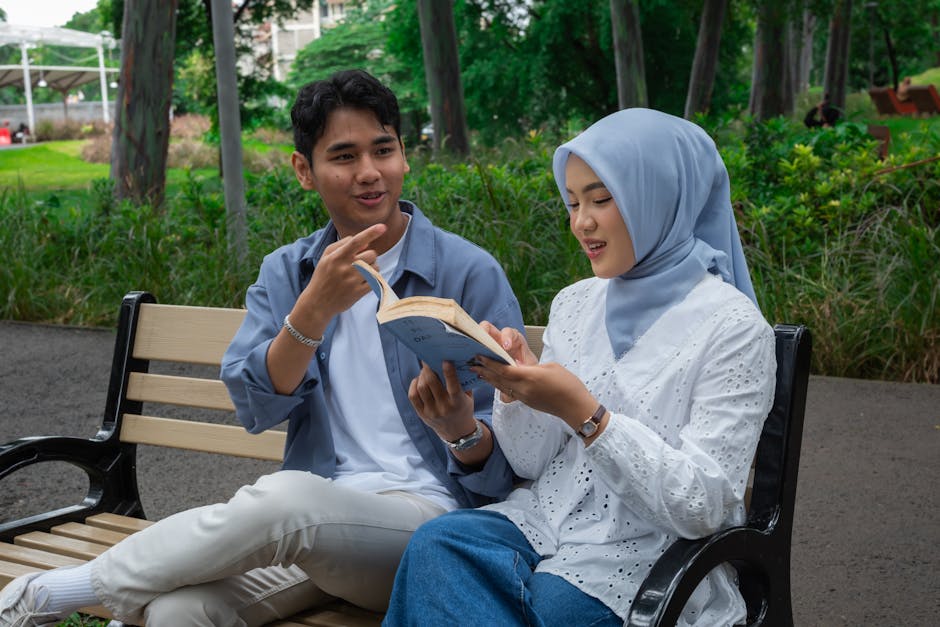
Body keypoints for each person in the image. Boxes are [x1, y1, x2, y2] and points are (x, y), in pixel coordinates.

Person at [0, 69, 523, 626]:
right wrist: (312, 311)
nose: (370, 173)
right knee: (179, 612)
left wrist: (460, 430)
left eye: (383, 149)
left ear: (403, 155)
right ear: (305, 170)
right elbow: (256, 407)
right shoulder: (288, 272)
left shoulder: (467, 273)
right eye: (343, 156)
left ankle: (44, 597)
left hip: (428, 529)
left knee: (286, 500)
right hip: (312, 524)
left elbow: (509, 469)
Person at [383, 108, 777, 626]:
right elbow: (529, 463)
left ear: (658, 196)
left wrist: (588, 415)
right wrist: (517, 391)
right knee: (439, 545)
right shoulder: (576, 303)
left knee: (557, 604)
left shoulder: (733, 328)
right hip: (546, 528)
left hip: (651, 554)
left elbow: (701, 505)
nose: (581, 222)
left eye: (601, 198)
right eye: (572, 202)